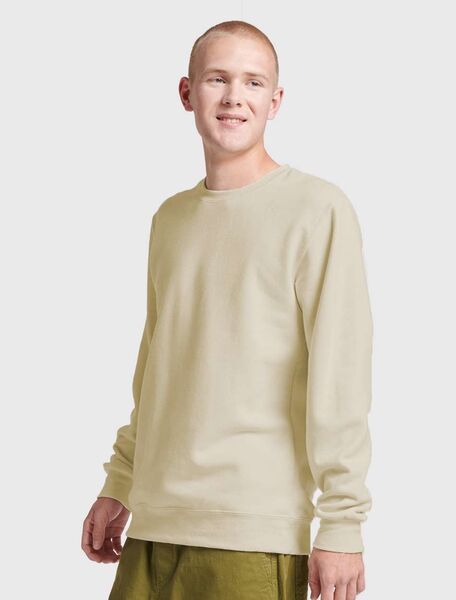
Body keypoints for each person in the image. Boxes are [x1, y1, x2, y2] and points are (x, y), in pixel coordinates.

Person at [81, 19, 374, 600]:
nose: (235, 96)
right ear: (187, 92)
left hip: (251, 532)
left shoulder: (316, 209)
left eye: (253, 82)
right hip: (154, 524)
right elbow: (157, 367)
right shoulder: (170, 219)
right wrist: (121, 478)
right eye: (217, 79)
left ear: (275, 101)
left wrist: (343, 522)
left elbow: (340, 372)